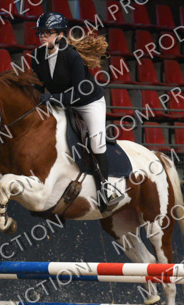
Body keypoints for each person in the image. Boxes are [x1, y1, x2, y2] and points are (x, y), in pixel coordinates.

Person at [30, 12, 122, 212]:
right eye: (40, 32)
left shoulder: (72, 55)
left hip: (88, 102)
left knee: (96, 141)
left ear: (60, 35)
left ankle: (105, 189)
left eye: (47, 32)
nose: (42, 36)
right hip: (62, 102)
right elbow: (37, 88)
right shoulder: (37, 56)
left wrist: (51, 98)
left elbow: (79, 92)